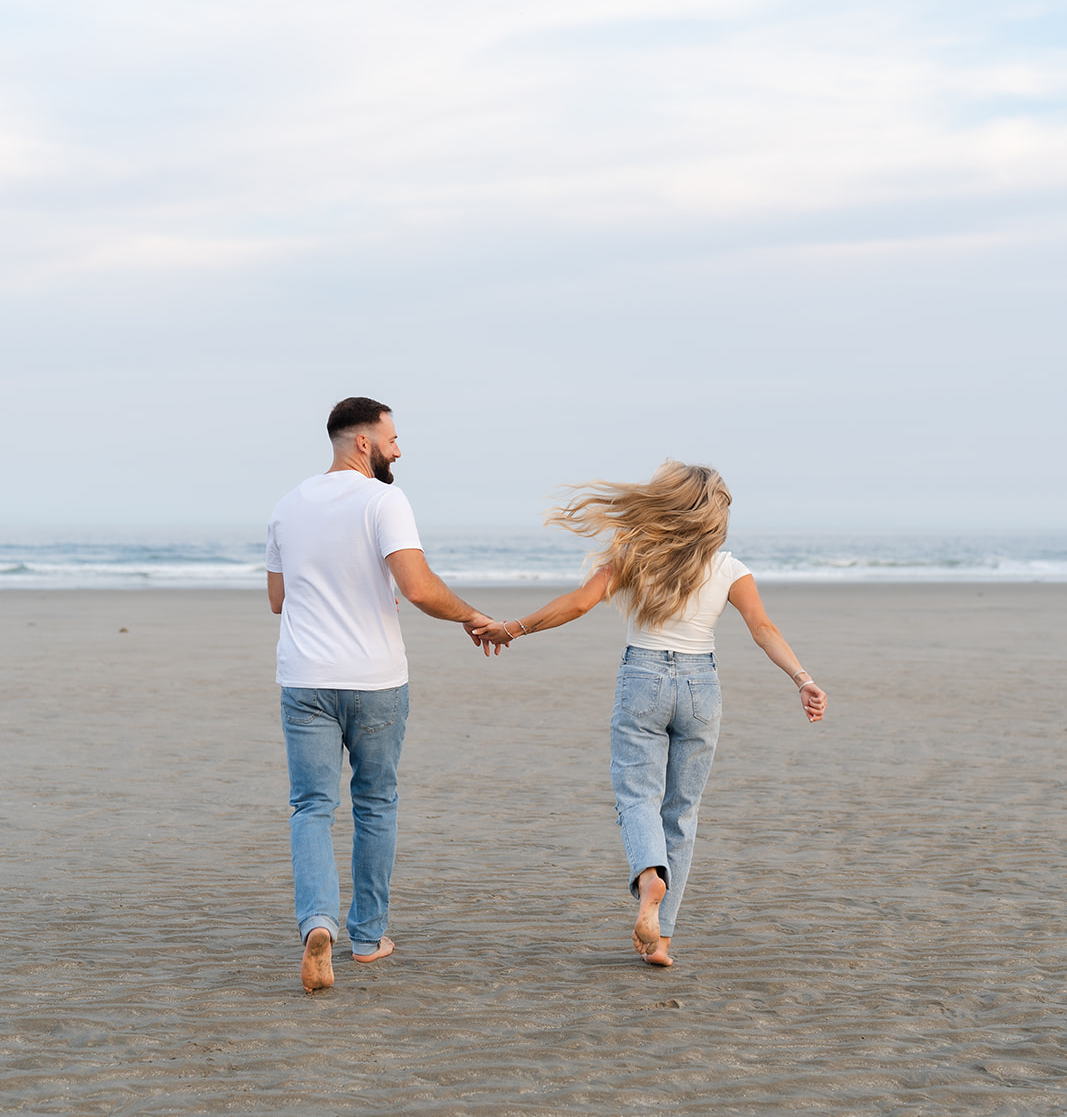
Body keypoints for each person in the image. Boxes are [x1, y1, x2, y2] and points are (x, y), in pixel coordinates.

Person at [473, 461, 827, 967]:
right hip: (701, 687)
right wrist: (803, 680)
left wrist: (514, 628)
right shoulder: (730, 568)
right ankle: (661, 942)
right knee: (681, 812)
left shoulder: (633, 555)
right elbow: (763, 628)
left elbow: (578, 604)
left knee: (638, 796)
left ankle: (648, 881)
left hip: (643, 679)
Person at [266, 396, 494, 994]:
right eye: (393, 438)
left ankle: (318, 923)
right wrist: (471, 614)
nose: (399, 449)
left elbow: (278, 599)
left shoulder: (287, 506)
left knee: (311, 806)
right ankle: (367, 938)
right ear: (363, 442)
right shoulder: (383, 500)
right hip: (374, 680)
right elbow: (417, 588)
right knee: (375, 802)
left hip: (306, 677)